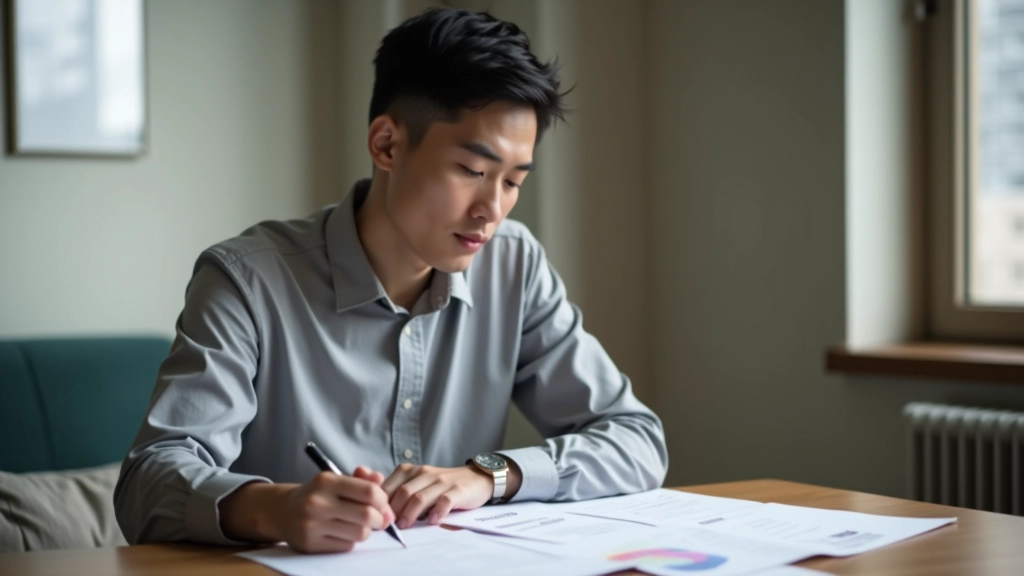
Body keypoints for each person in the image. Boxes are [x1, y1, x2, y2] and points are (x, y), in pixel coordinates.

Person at [114, 8, 667, 554]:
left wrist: (489, 475)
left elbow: (635, 441)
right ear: (386, 145)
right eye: (473, 172)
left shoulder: (514, 265)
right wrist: (277, 508)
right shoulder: (246, 281)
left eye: (513, 181)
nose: (491, 210)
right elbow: (148, 483)